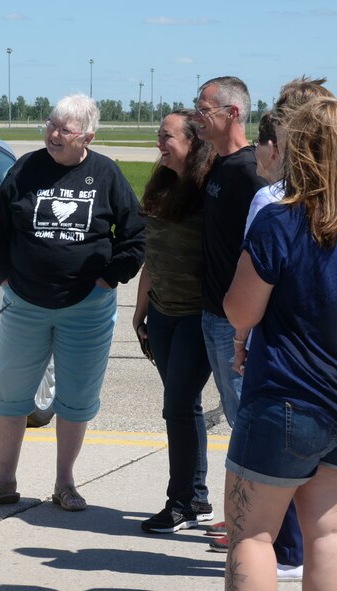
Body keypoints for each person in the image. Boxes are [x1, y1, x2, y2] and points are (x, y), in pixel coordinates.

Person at [222, 97, 337, 590]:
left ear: (298, 152)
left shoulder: (279, 220)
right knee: (330, 532)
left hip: (289, 400)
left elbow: (240, 309)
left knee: (251, 535)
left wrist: (241, 340)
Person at [0, 94, 144, 513]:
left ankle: (65, 483)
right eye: (50, 125)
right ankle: (4, 480)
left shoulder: (106, 173)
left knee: (76, 399)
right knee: (8, 395)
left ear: (88, 136)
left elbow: (135, 235)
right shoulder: (26, 168)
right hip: (24, 302)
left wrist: (107, 278)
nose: (53, 134)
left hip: (87, 307)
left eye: (65, 129)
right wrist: (2, 273)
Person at [191, 76, 266, 553]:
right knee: (239, 419)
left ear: (232, 114)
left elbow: (259, 250)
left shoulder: (248, 172)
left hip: (235, 322)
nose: (197, 115)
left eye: (204, 108)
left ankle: (253, 521)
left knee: (246, 421)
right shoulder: (218, 165)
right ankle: (244, 514)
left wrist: (245, 322)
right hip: (213, 314)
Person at [132, 109, 216, 533]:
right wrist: (140, 308)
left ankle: (181, 502)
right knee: (185, 407)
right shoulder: (162, 184)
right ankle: (196, 497)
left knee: (178, 406)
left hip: (197, 317)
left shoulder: (210, 188)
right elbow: (153, 255)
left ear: (192, 142)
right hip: (162, 314)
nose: (159, 144)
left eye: (166, 137)